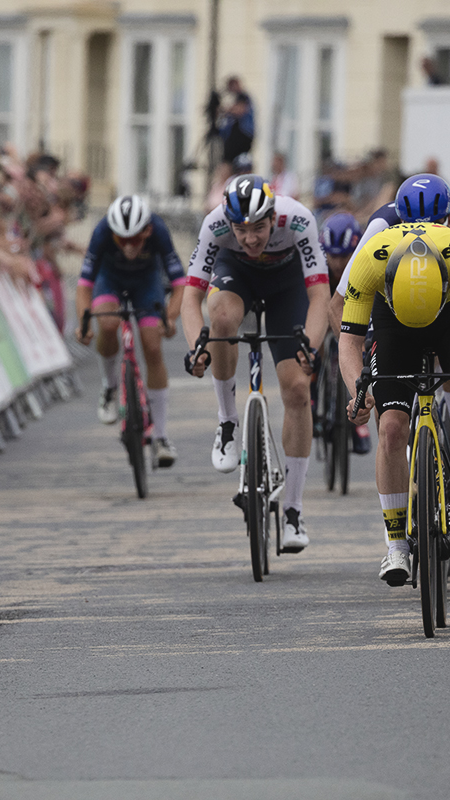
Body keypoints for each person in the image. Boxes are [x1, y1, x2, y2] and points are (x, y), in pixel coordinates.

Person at [328, 174, 450, 552]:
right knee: (391, 430)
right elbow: (348, 336)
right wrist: (356, 391)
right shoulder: (373, 252)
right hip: (394, 324)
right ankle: (395, 546)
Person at [181, 174, 329, 552]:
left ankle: (293, 510)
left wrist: (309, 348)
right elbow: (190, 299)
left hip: (288, 286)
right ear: (228, 222)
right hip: (237, 277)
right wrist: (198, 347)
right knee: (222, 319)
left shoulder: (298, 219)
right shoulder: (214, 224)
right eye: (241, 230)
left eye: (259, 228)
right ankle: (228, 421)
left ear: (273, 216)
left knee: (297, 389)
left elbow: (319, 297)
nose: (250, 238)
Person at [75, 195, 185, 466]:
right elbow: (85, 284)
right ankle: (110, 387)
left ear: (147, 231)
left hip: (146, 283)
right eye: (121, 240)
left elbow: (181, 283)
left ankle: (160, 435)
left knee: (152, 346)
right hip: (109, 280)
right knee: (108, 324)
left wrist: (170, 318)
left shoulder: (158, 229)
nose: (128, 246)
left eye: (135, 239)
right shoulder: (102, 231)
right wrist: (83, 323)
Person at [318, 212, 370, 454]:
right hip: (325, 308)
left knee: (364, 351)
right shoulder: (318, 264)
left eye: (344, 256)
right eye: (332, 256)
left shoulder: (365, 259)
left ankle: (361, 423)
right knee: (313, 343)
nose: (338, 263)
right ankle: (312, 398)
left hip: (357, 314)